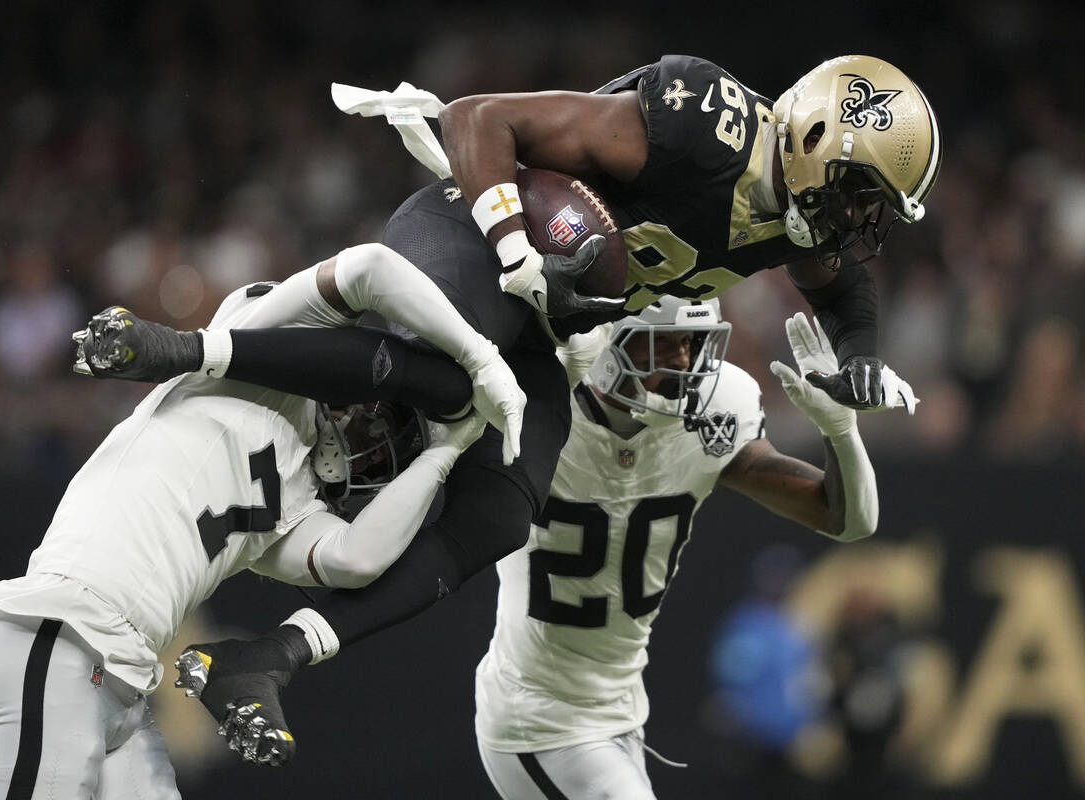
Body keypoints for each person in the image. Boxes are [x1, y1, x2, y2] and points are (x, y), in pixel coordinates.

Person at [83, 53, 932, 766]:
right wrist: (512, 243)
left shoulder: (800, 220)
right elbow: (479, 118)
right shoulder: (703, 125)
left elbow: (848, 300)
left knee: (504, 507)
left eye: (873, 210)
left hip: (556, 318)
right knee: (453, 378)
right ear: (817, 135)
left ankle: (268, 655)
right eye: (859, 193)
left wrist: (858, 367)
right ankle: (181, 348)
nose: (857, 220)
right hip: (484, 235)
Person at [0, 242, 520, 798]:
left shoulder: (295, 503)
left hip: (116, 680)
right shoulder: (252, 360)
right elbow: (370, 266)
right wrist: (479, 360)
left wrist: (448, 448)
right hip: (58, 637)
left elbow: (359, 558)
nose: (372, 446)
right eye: (385, 426)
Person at [474, 302, 879, 799]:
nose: (684, 361)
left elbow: (849, 520)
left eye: (690, 342)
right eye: (662, 343)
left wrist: (840, 431)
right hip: (538, 716)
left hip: (619, 710)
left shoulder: (710, 417)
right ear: (609, 344)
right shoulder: (532, 404)